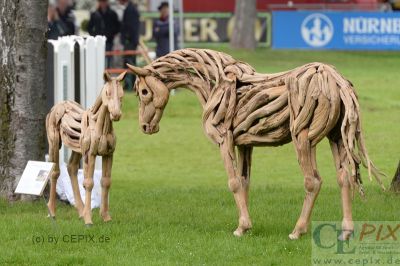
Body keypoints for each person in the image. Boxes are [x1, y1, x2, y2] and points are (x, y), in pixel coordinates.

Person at [88, 0, 120, 67]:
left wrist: (112, 34)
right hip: (97, 42)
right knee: (98, 60)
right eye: (101, 1)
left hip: (109, 41)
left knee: (109, 61)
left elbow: (118, 27)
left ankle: (108, 75)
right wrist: (95, 36)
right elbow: (89, 27)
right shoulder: (94, 13)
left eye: (104, 1)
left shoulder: (113, 13)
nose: (103, 3)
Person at [119, 0, 140, 90]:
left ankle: (130, 85)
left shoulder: (130, 9)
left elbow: (131, 27)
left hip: (130, 41)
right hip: (131, 41)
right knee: (129, 62)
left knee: (129, 63)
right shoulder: (130, 8)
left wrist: (126, 39)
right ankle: (129, 84)